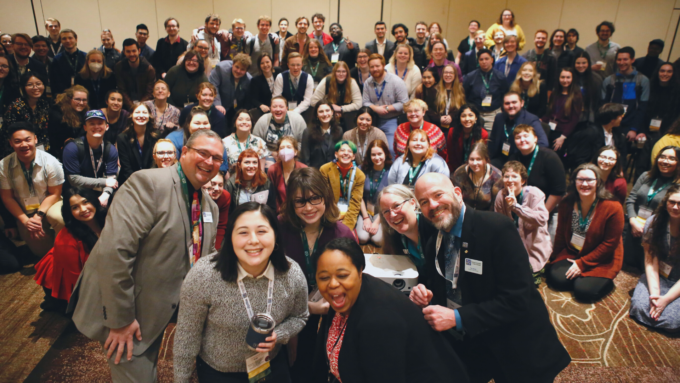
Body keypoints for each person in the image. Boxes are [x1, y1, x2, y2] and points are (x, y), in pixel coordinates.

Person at [71, 129, 222, 382]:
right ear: (184, 152)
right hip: (127, 307)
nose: (209, 162)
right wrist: (120, 320)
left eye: (216, 158)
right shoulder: (148, 183)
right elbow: (115, 251)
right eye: (203, 153)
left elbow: (205, 255)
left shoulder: (210, 206)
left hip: (162, 304)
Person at [411, 172, 570, 383]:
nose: (432, 205)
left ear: (457, 194)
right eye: (424, 202)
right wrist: (423, 292)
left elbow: (517, 300)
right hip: (471, 340)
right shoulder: (435, 241)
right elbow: (438, 284)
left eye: (438, 195)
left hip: (515, 341)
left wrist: (457, 318)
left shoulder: (496, 228)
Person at [174, 201, 308, 382]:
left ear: (275, 236)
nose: (253, 240)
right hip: (219, 371)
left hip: (269, 365)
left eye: (261, 231)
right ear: (230, 238)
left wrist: (279, 334)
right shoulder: (204, 275)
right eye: (243, 232)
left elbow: (300, 316)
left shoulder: (292, 273)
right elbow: (187, 336)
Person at [311, 237, 469, 383]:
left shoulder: (377, 322)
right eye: (324, 278)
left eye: (342, 275)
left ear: (360, 271)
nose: (332, 284)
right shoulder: (343, 297)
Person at [275, 167, 353, 382]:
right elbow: (268, 281)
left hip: (333, 312)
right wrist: (305, 308)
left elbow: (354, 284)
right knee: (292, 367)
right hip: (286, 312)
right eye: (300, 201)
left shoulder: (342, 233)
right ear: (291, 202)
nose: (308, 208)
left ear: (326, 197)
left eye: (314, 199)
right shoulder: (278, 228)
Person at [547, 163, 624, 302]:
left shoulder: (613, 207)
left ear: (598, 182)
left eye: (589, 180)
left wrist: (582, 264)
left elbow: (610, 244)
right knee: (556, 280)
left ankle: (603, 281)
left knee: (584, 292)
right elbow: (560, 233)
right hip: (573, 252)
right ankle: (580, 276)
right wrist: (554, 257)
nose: (584, 184)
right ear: (574, 181)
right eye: (580, 179)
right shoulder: (567, 202)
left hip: (602, 258)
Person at [33, 187, 105, 312]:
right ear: (69, 212)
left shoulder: (106, 219)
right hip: (67, 284)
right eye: (75, 207)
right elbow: (75, 282)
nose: (83, 209)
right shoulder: (66, 239)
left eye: (85, 202)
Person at [0, 122, 64, 257]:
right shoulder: (3, 165)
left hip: (49, 204)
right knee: (42, 253)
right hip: (24, 211)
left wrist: (39, 215)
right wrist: (25, 220)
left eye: (27, 140)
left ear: (35, 139)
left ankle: (67, 249)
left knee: (58, 217)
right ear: (11, 143)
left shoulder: (51, 162)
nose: (23, 145)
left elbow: (55, 193)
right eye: (17, 141)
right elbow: (7, 197)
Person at [629, 185, 680, 332]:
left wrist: (666, 300)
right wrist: (655, 294)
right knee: (639, 307)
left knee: (671, 320)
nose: (676, 207)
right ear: (665, 203)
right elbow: (650, 261)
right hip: (658, 276)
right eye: (672, 202)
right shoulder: (653, 222)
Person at [495, 161, 551, 284]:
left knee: (525, 279)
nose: (510, 180)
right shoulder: (501, 195)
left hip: (532, 244)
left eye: (514, 176)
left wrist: (516, 206)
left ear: (523, 180)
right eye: (506, 176)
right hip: (512, 242)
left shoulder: (534, 193)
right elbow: (498, 224)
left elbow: (542, 219)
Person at [625, 146, 680, 269]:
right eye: (663, 157)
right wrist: (633, 221)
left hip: (656, 231)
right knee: (627, 261)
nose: (665, 161)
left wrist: (648, 227)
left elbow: (672, 213)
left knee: (645, 266)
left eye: (672, 158)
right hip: (634, 226)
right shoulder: (646, 176)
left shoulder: (677, 186)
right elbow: (631, 199)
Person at [62, 110, 119, 208]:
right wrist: (104, 182)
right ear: (85, 127)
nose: (96, 127)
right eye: (92, 124)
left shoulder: (111, 149)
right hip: (76, 193)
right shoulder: (72, 147)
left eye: (100, 123)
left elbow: (111, 179)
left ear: (107, 127)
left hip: (100, 192)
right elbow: (74, 180)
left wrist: (105, 195)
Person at [509, 124, 566, 213]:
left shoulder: (549, 157)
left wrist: (541, 215)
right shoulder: (513, 158)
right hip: (519, 209)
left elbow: (559, 190)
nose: (522, 140)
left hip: (544, 210)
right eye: (518, 137)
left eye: (526, 136)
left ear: (535, 138)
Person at [602, 47, 650, 151]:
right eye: (619, 59)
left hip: (630, 126)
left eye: (625, 59)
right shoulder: (609, 80)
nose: (621, 62)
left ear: (632, 60)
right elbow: (603, 105)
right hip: (612, 124)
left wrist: (634, 129)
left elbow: (642, 108)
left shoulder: (643, 81)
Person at [362, 53, 409, 156]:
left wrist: (388, 108)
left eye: (377, 66)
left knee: (390, 149)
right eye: (372, 67)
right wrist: (376, 108)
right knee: (367, 148)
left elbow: (405, 103)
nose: (375, 69)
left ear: (383, 65)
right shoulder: (368, 82)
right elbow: (365, 102)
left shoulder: (396, 81)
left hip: (391, 119)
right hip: (373, 119)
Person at [488, 91, 548, 167]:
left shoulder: (531, 119)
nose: (511, 106)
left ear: (522, 103)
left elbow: (543, 143)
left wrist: (525, 151)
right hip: (501, 158)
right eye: (507, 103)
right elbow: (492, 141)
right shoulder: (499, 118)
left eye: (514, 102)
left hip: (520, 161)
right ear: (503, 105)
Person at [2, 72, 51, 157]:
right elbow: (9, 133)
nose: (35, 87)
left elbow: (45, 130)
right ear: (23, 88)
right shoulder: (15, 107)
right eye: (30, 84)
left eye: (38, 84)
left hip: (41, 147)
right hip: (19, 148)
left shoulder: (44, 104)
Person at [319, 141, 365, 230]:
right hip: (330, 212)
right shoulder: (325, 169)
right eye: (342, 150)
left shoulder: (359, 175)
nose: (346, 153)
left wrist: (346, 226)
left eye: (350, 151)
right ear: (336, 154)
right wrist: (333, 218)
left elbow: (355, 203)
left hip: (349, 212)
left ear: (353, 157)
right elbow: (324, 197)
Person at [167, 108, 229, 173]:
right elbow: (170, 165)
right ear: (188, 124)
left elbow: (222, 167)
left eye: (205, 123)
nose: (202, 127)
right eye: (197, 123)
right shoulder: (174, 138)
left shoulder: (216, 141)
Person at [543, 67, 583, 164]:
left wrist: (563, 137)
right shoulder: (555, 93)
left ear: (572, 79)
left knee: (554, 160)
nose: (565, 80)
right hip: (550, 129)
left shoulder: (576, 96)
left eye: (568, 77)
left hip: (563, 133)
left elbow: (574, 119)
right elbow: (550, 113)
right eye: (563, 77)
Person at [357, 140, 392, 247]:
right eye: (373, 154)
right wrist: (365, 218)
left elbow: (390, 200)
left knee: (378, 240)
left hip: (383, 211)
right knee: (362, 238)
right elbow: (359, 196)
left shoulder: (391, 171)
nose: (377, 158)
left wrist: (377, 222)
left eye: (380, 154)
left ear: (385, 154)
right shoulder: (361, 169)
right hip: (364, 211)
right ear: (369, 156)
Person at [462, 49, 508, 131]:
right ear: (478, 61)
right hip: (475, 113)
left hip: (493, 113)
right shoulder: (470, 77)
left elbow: (505, 95)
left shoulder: (500, 77)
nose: (484, 61)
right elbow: (465, 95)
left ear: (492, 60)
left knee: (490, 139)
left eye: (487, 59)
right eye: (481, 59)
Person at [252, 97, 307, 162]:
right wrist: (271, 153)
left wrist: (290, 153)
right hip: (269, 155)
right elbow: (255, 142)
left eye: (281, 107)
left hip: (293, 155)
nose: (278, 109)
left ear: (286, 108)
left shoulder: (297, 119)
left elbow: (303, 142)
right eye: (274, 107)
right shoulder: (263, 120)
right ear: (270, 108)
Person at [452, 142, 503, 210]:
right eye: (472, 159)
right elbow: (456, 200)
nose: (475, 163)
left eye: (479, 159)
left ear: (486, 160)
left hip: (486, 215)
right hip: (465, 213)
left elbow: (495, 206)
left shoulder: (497, 176)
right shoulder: (460, 173)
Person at [311, 61, 362, 131]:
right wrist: (330, 108)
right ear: (334, 72)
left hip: (347, 116)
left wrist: (341, 109)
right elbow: (313, 101)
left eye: (343, 71)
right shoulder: (326, 81)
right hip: (328, 115)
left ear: (347, 73)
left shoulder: (352, 82)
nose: (341, 74)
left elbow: (358, 104)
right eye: (338, 71)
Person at [117, 103, 158, 186]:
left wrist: (147, 182)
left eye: (144, 112)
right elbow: (126, 167)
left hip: (151, 181)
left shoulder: (156, 136)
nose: (141, 115)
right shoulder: (122, 138)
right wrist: (138, 184)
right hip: (129, 181)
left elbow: (154, 163)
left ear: (149, 116)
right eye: (137, 112)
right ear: (131, 116)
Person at [225, 149, 276, 213]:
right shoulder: (231, 184)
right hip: (239, 220)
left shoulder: (266, 182)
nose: (251, 166)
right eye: (247, 162)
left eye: (254, 162)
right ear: (239, 165)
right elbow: (228, 211)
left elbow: (272, 208)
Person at [47, 85, 88, 159]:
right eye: (77, 99)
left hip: (79, 150)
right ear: (69, 99)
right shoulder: (57, 115)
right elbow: (53, 141)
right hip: (61, 154)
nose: (81, 103)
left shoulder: (85, 112)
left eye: (84, 100)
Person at [267, 136, 306, 212]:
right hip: (280, 213)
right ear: (278, 152)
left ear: (295, 152)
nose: (285, 150)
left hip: (301, 210)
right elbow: (272, 196)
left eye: (289, 147)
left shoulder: (303, 169)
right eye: (282, 148)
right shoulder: (272, 170)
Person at [114, 39, 156, 110]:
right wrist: (132, 107)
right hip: (126, 105)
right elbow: (122, 90)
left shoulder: (149, 69)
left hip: (145, 105)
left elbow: (149, 93)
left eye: (134, 51)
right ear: (124, 52)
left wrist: (139, 106)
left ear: (139, 51)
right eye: (128, 51)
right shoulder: (119, 67)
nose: (131, 54)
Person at [301, 101, 343, 169]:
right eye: (321, 111)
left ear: (332, 112)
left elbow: (340, 155)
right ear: (317, 115)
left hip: (334, 173)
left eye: (327, 110)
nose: (325, 114)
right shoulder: (308, 132)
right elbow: (305, 159)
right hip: (315, 175)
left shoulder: (339, 130)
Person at [446, 104, 488, 172]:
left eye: (470, 115)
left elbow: (481, 156)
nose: (467, 119)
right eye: (463, 116)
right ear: (459, 118)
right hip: (455, 167)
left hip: (475, 167)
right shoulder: (452, 132)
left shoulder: (483, 134)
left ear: (476, 117)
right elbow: (451, 156)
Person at [589, 103, 627, 169]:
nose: (622, 118)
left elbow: (622, 158)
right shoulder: (591, 133)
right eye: (620, 116)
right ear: (612, 120)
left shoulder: (618, 135)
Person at [245, 53, 281, 122]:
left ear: (271, 62)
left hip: (280, 106)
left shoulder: (279, 72)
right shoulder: (256, 80)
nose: (265, 65)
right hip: (266, 111)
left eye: (267, 62)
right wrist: (261, 105)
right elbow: (253, 98)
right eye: (262, 63)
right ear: (259, 66)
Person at [50, 29, 86, 96]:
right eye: (64, 38)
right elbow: (54, 81)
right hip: (65, 96)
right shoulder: (57, 59)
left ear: (76, 39)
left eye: (70, 38)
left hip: (84, 94)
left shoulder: (86, 57)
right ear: (61, 41)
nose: (68, 41)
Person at [432, 64, 466, 134]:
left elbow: (462, 108)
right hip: (437, 127)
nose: (448, 75)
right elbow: (428, 109)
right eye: (446, 72)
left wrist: (451, 117)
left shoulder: (460, 90)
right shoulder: (434, 89)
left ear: (455, 75)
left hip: (454, 127)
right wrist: (439, 118)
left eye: (451, 73)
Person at [201, 172, 229, 250]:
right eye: (213, 184)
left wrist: (215, 250)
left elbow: (221, 226)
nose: (216, 189)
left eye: (220, 185)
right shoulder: (199, 197)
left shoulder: (225, 197)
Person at [573, 51, 603, 124]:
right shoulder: (569, 77)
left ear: (588, 63)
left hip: (590, 118)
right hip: (571, 116)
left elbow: (599, 101)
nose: (581, 65)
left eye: (584, 63)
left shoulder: (596, 79)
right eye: (578, 63)